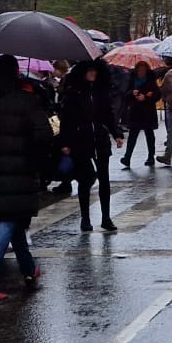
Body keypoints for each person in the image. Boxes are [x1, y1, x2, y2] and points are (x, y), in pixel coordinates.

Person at [0, 55, 52, 303]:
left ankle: (29, 269)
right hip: (21, 170)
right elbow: (43, 136)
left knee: (14, 220)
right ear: (16, 73)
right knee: (8, 221)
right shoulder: (27, 101)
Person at [58, 59, 118, 233]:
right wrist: (65, 142)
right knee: (85, 180)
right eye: (89, 71)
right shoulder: (74, 93)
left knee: (104, 180)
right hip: (80, 139)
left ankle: (106, 217)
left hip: (99, 138)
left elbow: (108, 114)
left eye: (95, 71)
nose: (93, 74)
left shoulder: (101, 92)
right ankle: (85, 217)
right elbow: (67, 120)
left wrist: (116, 133)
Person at [120, 63, 161, 169]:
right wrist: (132, 93)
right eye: (139, 70)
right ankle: (127, 157)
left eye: (143, 70)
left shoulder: (151, 80)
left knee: (149, 134)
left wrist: (146, 98)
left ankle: (151, 156)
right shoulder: (131, 79)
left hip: (148, 111)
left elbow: (157, 94)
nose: (141, 72)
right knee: (132, 136)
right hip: (135, 111)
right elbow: (125, 94)